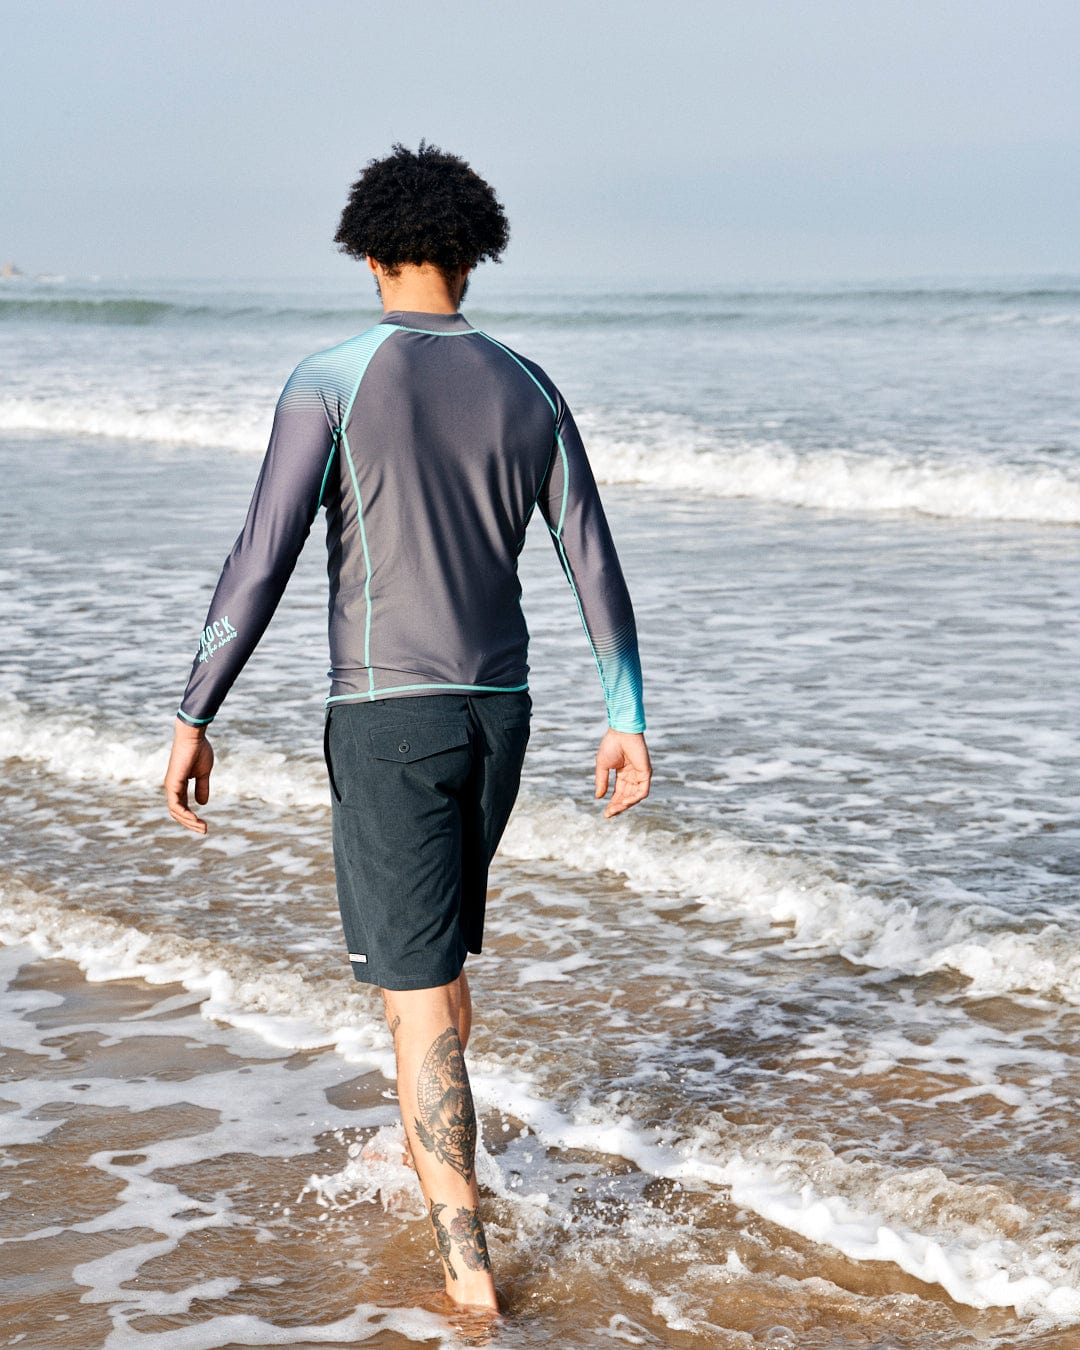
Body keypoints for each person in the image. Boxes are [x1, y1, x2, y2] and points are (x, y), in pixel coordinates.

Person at [163, 142, 651, 1312]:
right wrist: (626, 715)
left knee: (418, 993)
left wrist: (195, 710)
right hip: (503, 718)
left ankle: (470, 1274)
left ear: (371, 254)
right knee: (435, 965)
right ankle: (435, 1148)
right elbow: (592, 555)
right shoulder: (531, 385)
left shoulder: (332, 377)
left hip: (388, 723)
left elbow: (259, 560)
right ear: (473, 259)